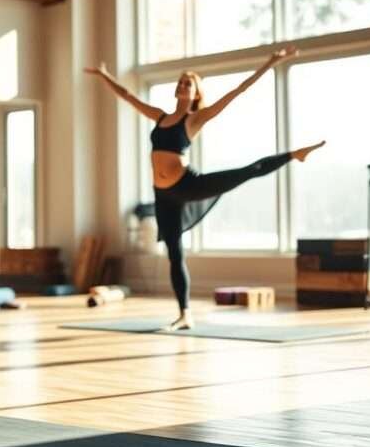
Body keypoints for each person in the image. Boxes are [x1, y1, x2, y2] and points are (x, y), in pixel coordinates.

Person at [85, 48, 324, 330]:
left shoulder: (194, 120)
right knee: (175, 254)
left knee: (247, 172)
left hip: (188, 184)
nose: (182, 84)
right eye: (180, 81)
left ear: (195, 92)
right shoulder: (160, 117)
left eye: (188, 82)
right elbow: (127, 96)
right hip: (163, 196)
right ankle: (185, 314)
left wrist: (271, 62)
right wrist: (104, 76)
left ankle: (294, 154)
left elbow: (238, 91)